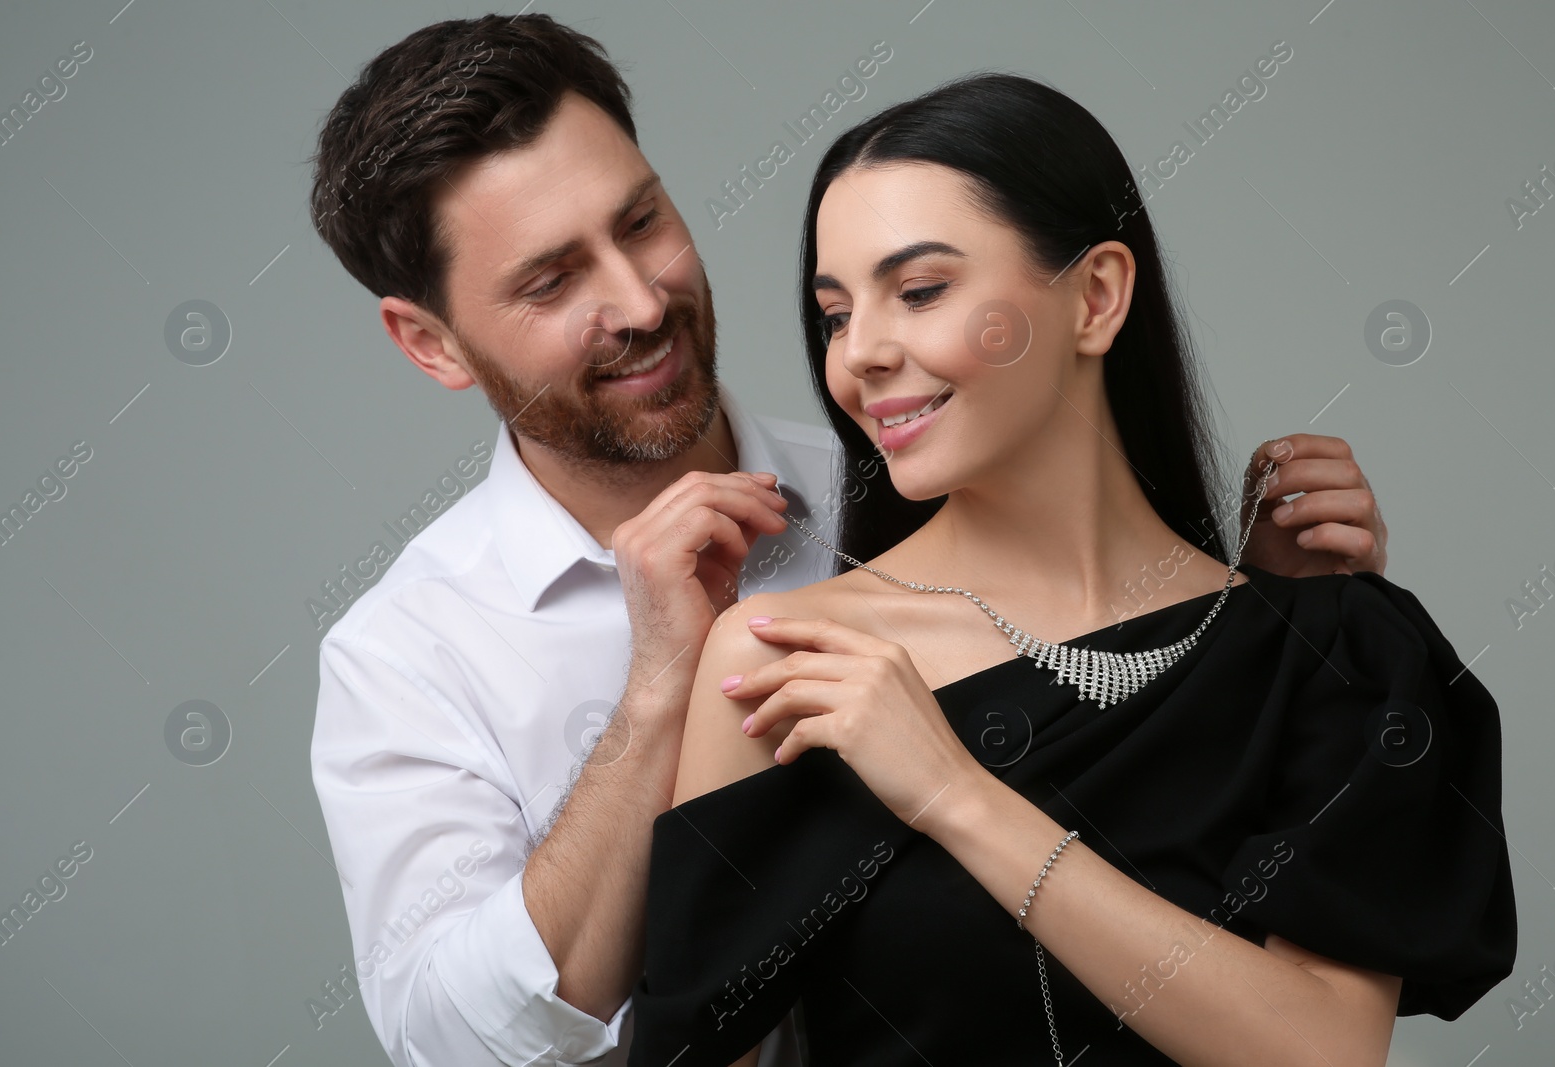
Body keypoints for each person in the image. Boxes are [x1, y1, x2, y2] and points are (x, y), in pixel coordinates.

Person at [305, 15, 1395, 1067]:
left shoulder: (918, 461)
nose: (638, 300)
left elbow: (1147, 802)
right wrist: (656, 698)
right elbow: (458, 1040)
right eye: (550, 282)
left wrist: (1259, 633)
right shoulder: (407, 651)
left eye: (640, 222)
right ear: (430, 342)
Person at [629, 73, 1515, 1066]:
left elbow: (1322, 1050)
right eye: (835, 313)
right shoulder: (788, 658)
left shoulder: (1331, 648)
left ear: (1095, 297)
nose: (860, 354)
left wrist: (954, 794)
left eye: (919, 290)